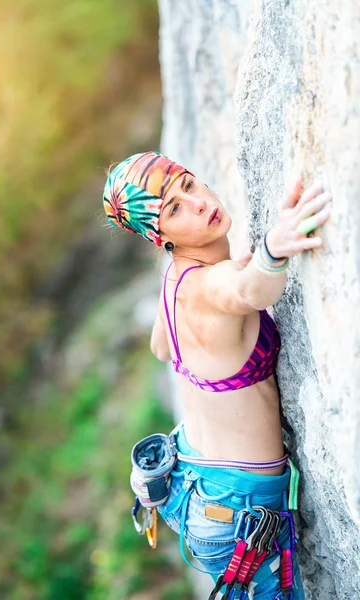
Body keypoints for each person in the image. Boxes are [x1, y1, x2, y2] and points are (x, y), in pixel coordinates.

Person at [103, 151, 332, 599]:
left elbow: (160, 346)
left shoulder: (176, 281)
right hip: (236, 511)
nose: (196, 203)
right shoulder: (210, 284)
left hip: (200, 482)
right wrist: (272, 251)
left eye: (188, 185)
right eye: (172, 209)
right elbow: (247, 290)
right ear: (160, 236)